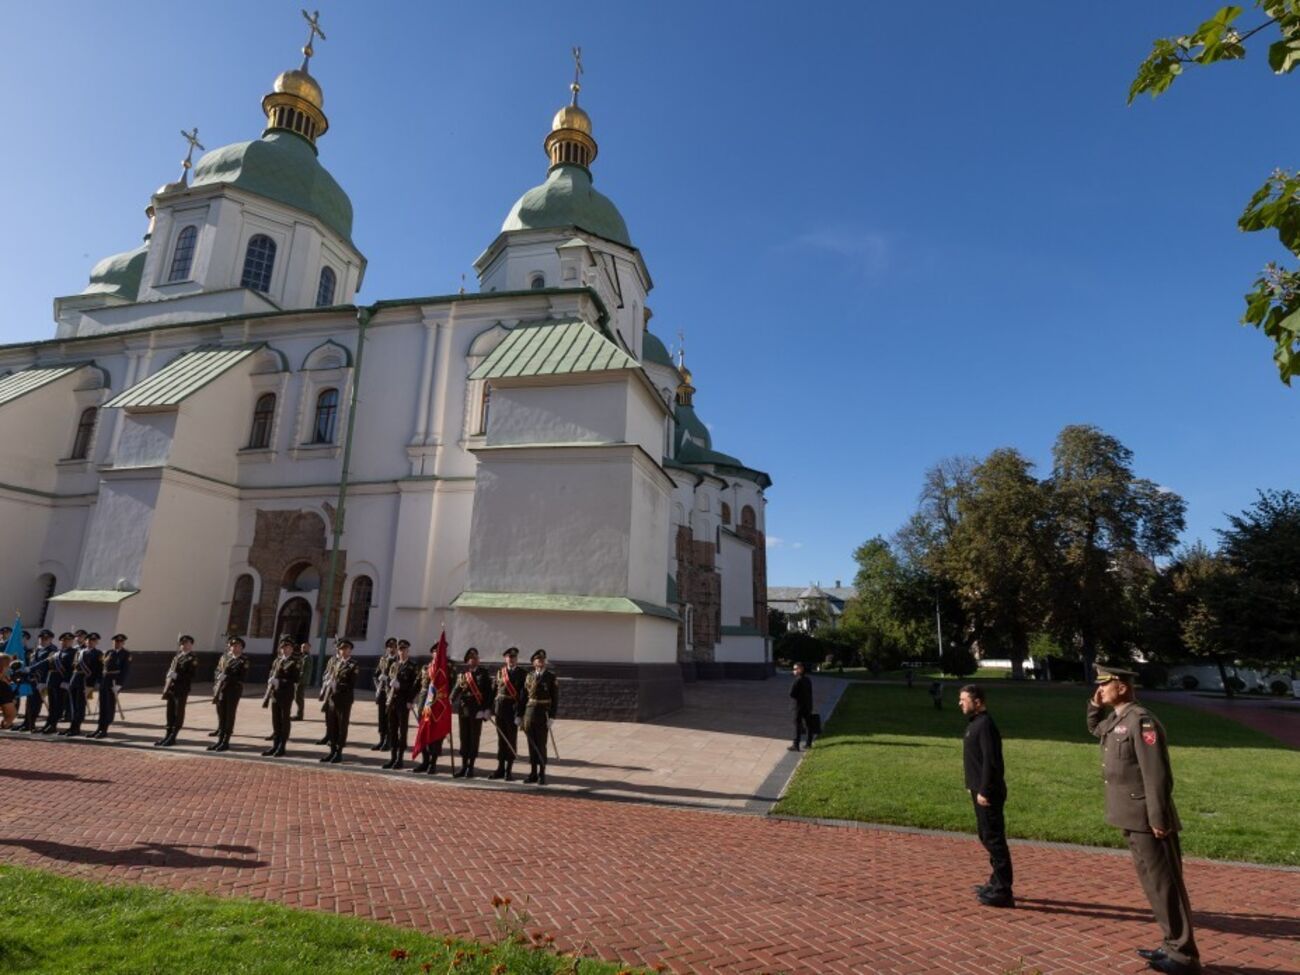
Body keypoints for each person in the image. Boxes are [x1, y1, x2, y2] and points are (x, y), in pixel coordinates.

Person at [1088, 665, 1201, 975]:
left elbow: (1157, 775)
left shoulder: (1141, 721)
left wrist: (1158, 817)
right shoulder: (1118, 719)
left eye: (1105, 684)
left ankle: (1184, 956)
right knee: (1154, 885)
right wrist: (1095, 706)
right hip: (1132, 817)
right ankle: (1171, 945)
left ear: (1122, 686)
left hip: (1148, 819)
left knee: (1167, 886)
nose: (1100, 689)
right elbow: (1096, 728)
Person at [959, 684, 1014, 908]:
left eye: (964, 699)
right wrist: (972, 785)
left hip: (987, 793)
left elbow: (992, 762)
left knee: (994, 839)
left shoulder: (985, 726)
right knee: (985, 835)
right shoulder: (976, 724)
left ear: (978, 701)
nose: (960, 703)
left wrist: (984, 789)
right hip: (978, 789)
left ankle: (1003, 890)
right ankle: (995, 881)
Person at [450, 647, 492, 778]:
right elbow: (456, 690)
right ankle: (463, 765)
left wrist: (486, 709)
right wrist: (449, 700)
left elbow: (489, 694)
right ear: (468, 661)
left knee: (474, 738)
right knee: (464, 738)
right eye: (472, 658)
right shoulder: (463, 675)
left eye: (476, 658)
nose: (475, 660)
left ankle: (471, 766)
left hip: (477, 711)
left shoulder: (483, 674)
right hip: (464, 711)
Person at [489, 646, 527, 781]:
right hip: (500, 710)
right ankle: (500, 768)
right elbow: (493, 691)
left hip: (512, 710)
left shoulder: (522, 673)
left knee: (511, 740)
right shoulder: (500, 672)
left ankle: (508, 770)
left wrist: (520, 714)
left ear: (517, 659)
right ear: (505, 658)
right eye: (509, 657)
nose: (511, 660)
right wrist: (488, 708)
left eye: (514, 657)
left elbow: (523, 696)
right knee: (501, 740)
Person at [522, 649, 558, 785]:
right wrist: (519, 715)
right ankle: (533, 773)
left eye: (542, 660)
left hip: (543, 714)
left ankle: (542, 773)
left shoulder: (550, 677)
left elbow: (555, 699)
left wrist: (552, 717)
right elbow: (523, 697)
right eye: (538, 660)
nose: (540, 662)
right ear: (533, 663)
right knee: (531, 745)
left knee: (541, 745)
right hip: (529, 714)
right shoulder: (529, 676)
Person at [320, 638, 359, 764]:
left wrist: (336, 685)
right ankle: (331, 751)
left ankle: (339, 752)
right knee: (332, 725)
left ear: (350, 650)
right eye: (341, 649)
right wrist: (328, 683)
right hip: (332, 699)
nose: (343, 651)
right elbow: (330, 675)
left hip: (344, 700)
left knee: (342, 726)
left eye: (346, 649)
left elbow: (351, 684)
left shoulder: (353, 665)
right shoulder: (336, 663)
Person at [382, 640, 419, 769]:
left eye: (404, 650)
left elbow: (415, 685)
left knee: (402, 731)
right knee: (392, 730)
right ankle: (392, 757)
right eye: (400, 650)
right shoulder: (394, 665)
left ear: (408, 651)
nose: (402, 652)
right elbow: (388, 680)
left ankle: (400, 758)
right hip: (392, 702)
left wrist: (410, 699)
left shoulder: (412, 666)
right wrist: (389, 687)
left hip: (403, 702)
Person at [208, 636, 248, 753]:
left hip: (233, 690)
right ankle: (219, 740)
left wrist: (227, 677)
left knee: (229, 715)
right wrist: (217, 679)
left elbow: (242, 677)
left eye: (237, 646)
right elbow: (217, 670)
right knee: (222, 714)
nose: (234, 648)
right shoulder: (226, 659)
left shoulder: (243, 661)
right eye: (232, 646)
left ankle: (226, 741)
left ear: (241, 648)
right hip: (222, 689)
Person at [157, 635, 198, 747]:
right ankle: (168, 735)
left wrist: (177, 675)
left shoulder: (192, 658)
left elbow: (191, 675)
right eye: (182, 643)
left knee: (178, 713)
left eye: (187, 643)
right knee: (170, 713)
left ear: (191, 645)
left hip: (182, 689)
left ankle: (173, 736)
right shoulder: (177, 657)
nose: (184, 645)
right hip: (172, 688)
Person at [263, 638, 300, 757]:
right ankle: (275, 744)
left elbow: (295, 679)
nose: (285, 649)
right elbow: (272, 674)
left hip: (286, 694)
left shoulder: (295, 662)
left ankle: (282, 746)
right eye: (283, 647)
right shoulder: (277, 661)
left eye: (287, 647)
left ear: (292, 649)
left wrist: (279, 681)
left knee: (284, 720)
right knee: (276, 719)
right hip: (275, 694)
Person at [93, 634, 131, 738]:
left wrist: (119, 684)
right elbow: (102, 667)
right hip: (105, 681)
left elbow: (125, 671)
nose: (117, 643)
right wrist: (99, 680)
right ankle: (99, 728)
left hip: (114, 682)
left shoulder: (126, 654)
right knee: (102, 705)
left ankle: (104, 729)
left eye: (120, 642)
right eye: (115, 642)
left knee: (108, 705)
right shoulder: (108, 652)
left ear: (123, 643)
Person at [40, 632, 76, 734]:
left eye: (68, 641)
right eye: (64, 640)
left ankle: (53, 725)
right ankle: (49, 723)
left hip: (61, 682)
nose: (66, 642)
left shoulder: (73, 653)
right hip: (51, 681)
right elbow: (45, 664)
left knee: (58, 705)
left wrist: (66, 681)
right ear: (60, 641)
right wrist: (30, 669)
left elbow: (72, 669)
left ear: (72, 642)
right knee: (52, 705)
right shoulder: (55, 653)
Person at [19, 630, 54, 732]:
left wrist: (31, 669)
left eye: (45, 639)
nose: (42, 640)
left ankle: (32, 724)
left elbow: (44, 663)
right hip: (32, 680)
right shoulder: (35, 650)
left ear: (51, 639)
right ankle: (26, 723)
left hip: (42, 681)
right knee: (29, 703)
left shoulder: (52, 651)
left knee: (36, 703)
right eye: (41, 638)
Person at [371, 637, 398, 751]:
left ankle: (389, 740)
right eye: (389, 647)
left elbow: (396, 677)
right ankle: (382, 739)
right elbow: (376, 674)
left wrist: (387, 679)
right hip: (382, 692)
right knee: (381, 717)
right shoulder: (383, 659)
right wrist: (378, 684)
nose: (391, 649)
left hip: (391, 693)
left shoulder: (397, 660)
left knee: (389, 717)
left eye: (393, 647)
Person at [789, 661, 814, 751]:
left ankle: (796, 745)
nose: (794, 671)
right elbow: (810, 693)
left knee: (797, 725)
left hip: (798, 707)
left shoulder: (797, 680)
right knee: (808, 724)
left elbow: (791, 693)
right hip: (807, 705)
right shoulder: (808, 679)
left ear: (801, 669)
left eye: (795, 669)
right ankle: (809, 743)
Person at [292, 641, 312, 721]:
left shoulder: (307, 657)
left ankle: (299, 715)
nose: (302, 649)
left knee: (299, 697)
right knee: (297, 697)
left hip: (302, 680)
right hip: (300, 680)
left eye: (304, 647)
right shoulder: (302, 656)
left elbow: (304, 671)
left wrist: (299, 679)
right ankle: (299, 714)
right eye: (301, 647)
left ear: (309, 648)